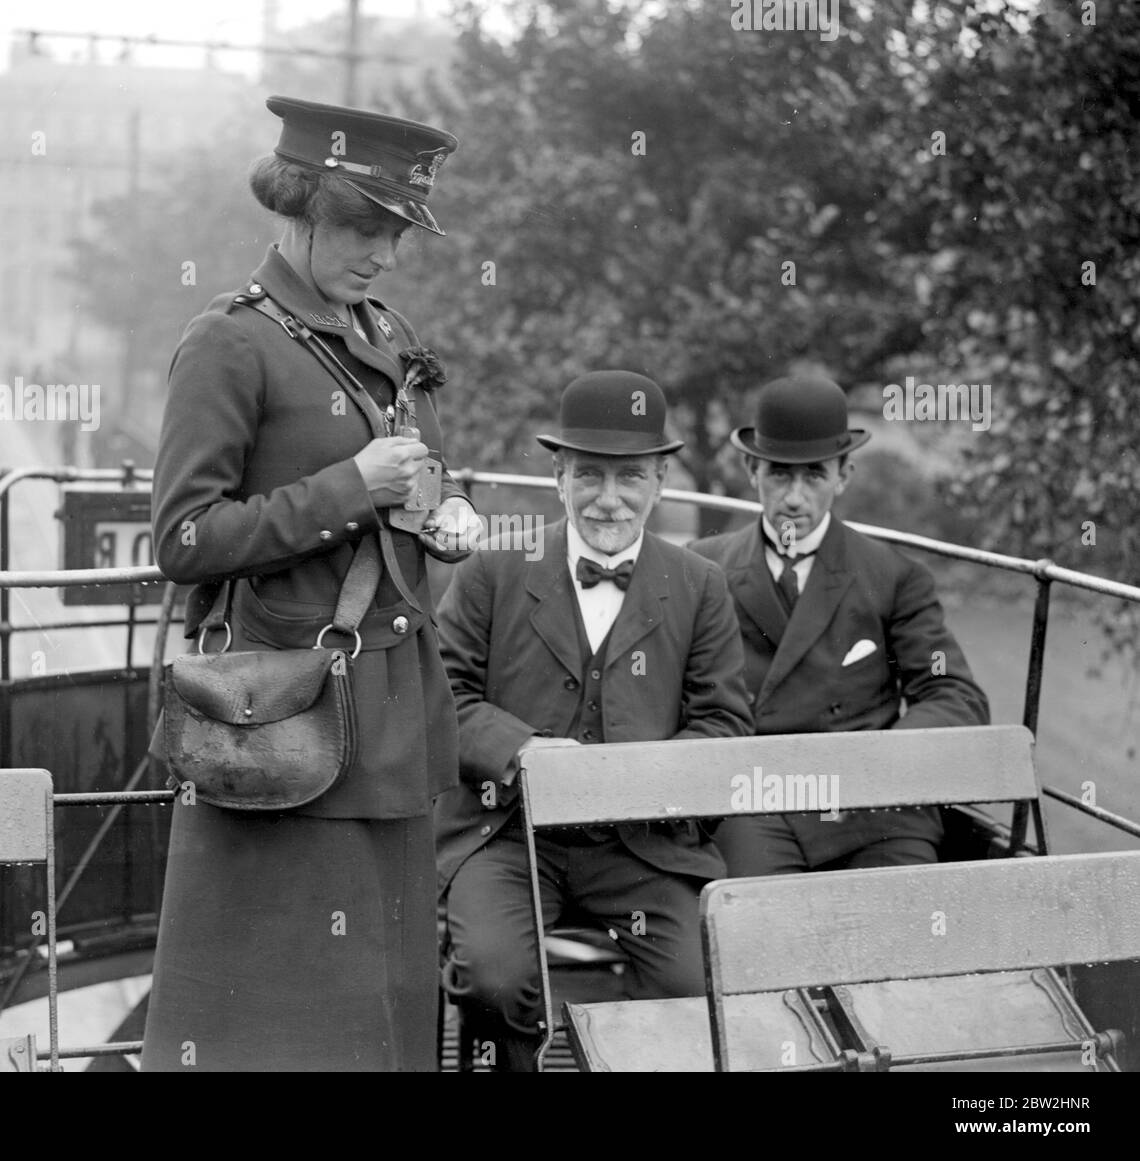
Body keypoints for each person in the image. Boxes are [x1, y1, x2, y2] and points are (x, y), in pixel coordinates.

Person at [142, 96, 480, 1072]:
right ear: (298, 206)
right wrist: (349, 488)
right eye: (362, 227)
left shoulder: (378, 328)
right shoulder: (230, 341)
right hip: (291, 725)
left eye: (396, 232)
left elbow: (403, 479)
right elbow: (184, 537)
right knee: (287, 1019)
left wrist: (434, 516)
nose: (383, 252)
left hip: (393, 716)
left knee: (385, 1001)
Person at [435, 371, 754, 1071]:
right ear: (558, 475)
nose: (609, 500)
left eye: (631, 478)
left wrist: (636, 775)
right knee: (494, 976)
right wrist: (520, 750)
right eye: (589, 476)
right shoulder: (494, 566)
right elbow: (441, 697)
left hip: (641, 848)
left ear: (662, 479)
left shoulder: (699, 586)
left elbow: (725, 725)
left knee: (689, 987)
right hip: (508, 836)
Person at [689, 375, 990, 875]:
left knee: (901, 926)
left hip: (872, 807)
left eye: (814, 476)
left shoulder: (893, 576)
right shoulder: (704, 570)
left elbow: (955, 694)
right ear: (751, 469)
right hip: (754, 803)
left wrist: (879, 761)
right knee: (758, 926)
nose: (794, 499)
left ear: (844, 475)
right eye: (780, 475)